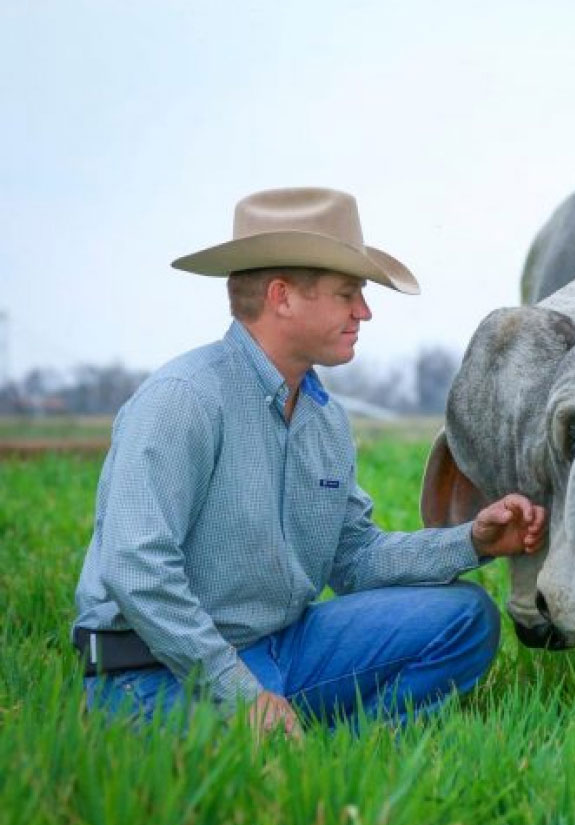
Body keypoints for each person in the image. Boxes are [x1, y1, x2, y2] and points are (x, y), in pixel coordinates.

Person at [72, 187, 547, 738]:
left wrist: (473, 542)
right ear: (282, 297)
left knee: (465, 618)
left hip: (283, 647)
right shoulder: (183, 399)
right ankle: (284, 735)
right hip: (158, 672)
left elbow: (355, 560)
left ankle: (346, 751)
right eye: (348, 294)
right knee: (237, 751)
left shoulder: (325, 419)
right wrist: (238, 691)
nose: (364, 311)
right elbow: (137, 570)